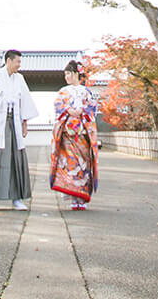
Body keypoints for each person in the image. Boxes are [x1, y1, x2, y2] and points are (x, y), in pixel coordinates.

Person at [0, 49, 39, 212]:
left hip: (14, 121)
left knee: (15, 159)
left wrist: (24, 124)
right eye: (17, 61)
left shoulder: (19, 78)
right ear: (9, 61)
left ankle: (16, 198)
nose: (19, 65)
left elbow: (25, 101)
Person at [49, 60, 99, 210]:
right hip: (68, 135)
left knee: (83, 165)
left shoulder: (86, 92)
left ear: (77, 74)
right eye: (65, 74)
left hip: (82, 134)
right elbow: (58, 106)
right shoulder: (63, 91)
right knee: (70, 165)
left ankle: (81, 198)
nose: (66, 77)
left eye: (69, 74)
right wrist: (69, 110)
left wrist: (81, 111)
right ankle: (72, 197)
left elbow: (92, 107)